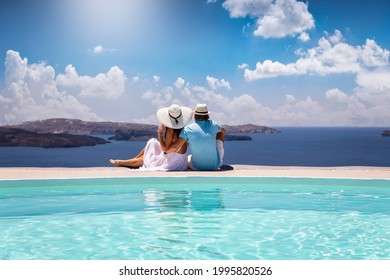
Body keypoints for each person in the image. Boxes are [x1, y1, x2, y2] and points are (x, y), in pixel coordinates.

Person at [109, 104, 193, 171]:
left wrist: (159, 133)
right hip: (181, 161)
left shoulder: (171, 130)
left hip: (173, 163)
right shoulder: (184, 128)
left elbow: (165, 150)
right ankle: (133, 159)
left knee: (147, 159)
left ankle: (120, 162)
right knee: (152, 142)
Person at [166, 104, 225, 170]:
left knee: (188, 158)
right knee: (220, 134)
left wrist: (166, 152)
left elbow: (175, 147)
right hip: (215, 166)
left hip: (197, 167)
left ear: (195, 116)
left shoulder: (188, 129)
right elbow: (223, 131)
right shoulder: (213, 124)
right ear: (207, 115)